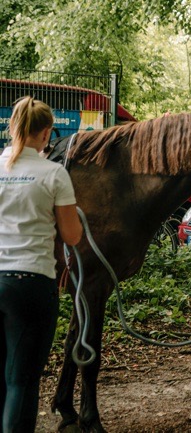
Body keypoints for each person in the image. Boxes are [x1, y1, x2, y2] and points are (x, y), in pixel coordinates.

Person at [0, 97, 83, 432]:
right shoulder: (54, 174)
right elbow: (72, 236)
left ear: (13, 127)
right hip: (31, 283)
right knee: (21, 381)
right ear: (47, 132)